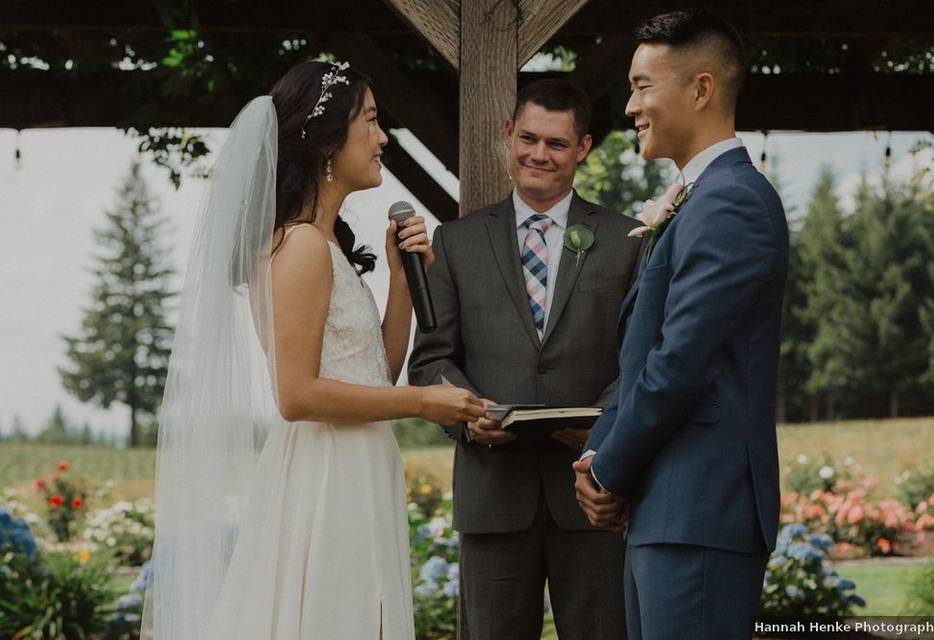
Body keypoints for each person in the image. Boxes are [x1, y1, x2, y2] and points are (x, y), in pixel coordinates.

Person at [145, 59, 486, 640]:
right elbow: (296, 395)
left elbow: (375, 368)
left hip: (357, 464)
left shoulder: (323, 244)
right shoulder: (300, 247)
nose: (383, 139)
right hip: (326, 476)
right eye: (372, 122)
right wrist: (423, 402)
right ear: (328, 139)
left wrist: (402, 281)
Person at [574, 10, 788, 639]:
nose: (631, 106)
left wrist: (608, 470)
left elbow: (679, 363)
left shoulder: (732, 202)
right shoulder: (699, 200)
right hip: (666, 511)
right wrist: (596, 456)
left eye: (643, 86)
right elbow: (640, 357)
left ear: (700, 89)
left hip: (700, 511)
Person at [408, 79, 637, 640]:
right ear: (508, 134)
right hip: (492, 495)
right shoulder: (457, 242)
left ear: (582, 147)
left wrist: (603, 426)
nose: (539, 154)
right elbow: (431, 360)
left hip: (593, 493)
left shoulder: (627, 238)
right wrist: (470, 415)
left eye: (556, 144)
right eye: (528, 138)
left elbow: (643, 355)